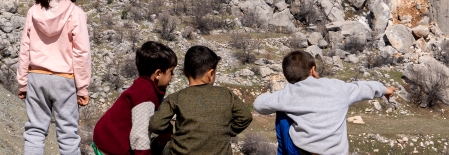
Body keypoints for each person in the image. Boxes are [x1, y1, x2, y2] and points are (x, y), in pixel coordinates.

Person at [17, 0, 92, 155]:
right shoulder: (76, 13)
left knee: (34, 131)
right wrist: (82, 88)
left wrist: (23, 82)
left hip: (36, 77)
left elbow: (25, 49)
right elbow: (81, 53)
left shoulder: (34, 11)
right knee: (68, 135)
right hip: (64, 80)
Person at [253, 50, 398, 155]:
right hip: (336, 152)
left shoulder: (288, 94)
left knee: (282, 113)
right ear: (313, 70)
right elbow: (363, 88)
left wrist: (282, 96)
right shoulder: (337, 87)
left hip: (302, 151)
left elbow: (258, 104)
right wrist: (385, 89)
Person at [148, 46, 252, 155]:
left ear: (185, 72)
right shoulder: (226, 94)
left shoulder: (176, 97)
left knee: (156, 144)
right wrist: (226, 131)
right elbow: (246, 117)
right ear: (210, 74)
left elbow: (155, 124)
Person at [92, 41, 178, 155]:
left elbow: (160, 107)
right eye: (171, 72)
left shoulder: (144, 86)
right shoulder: (145, 96)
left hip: (104, 137)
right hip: (112, 147)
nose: (173, 76)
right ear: (158, 74)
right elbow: (139, 136)